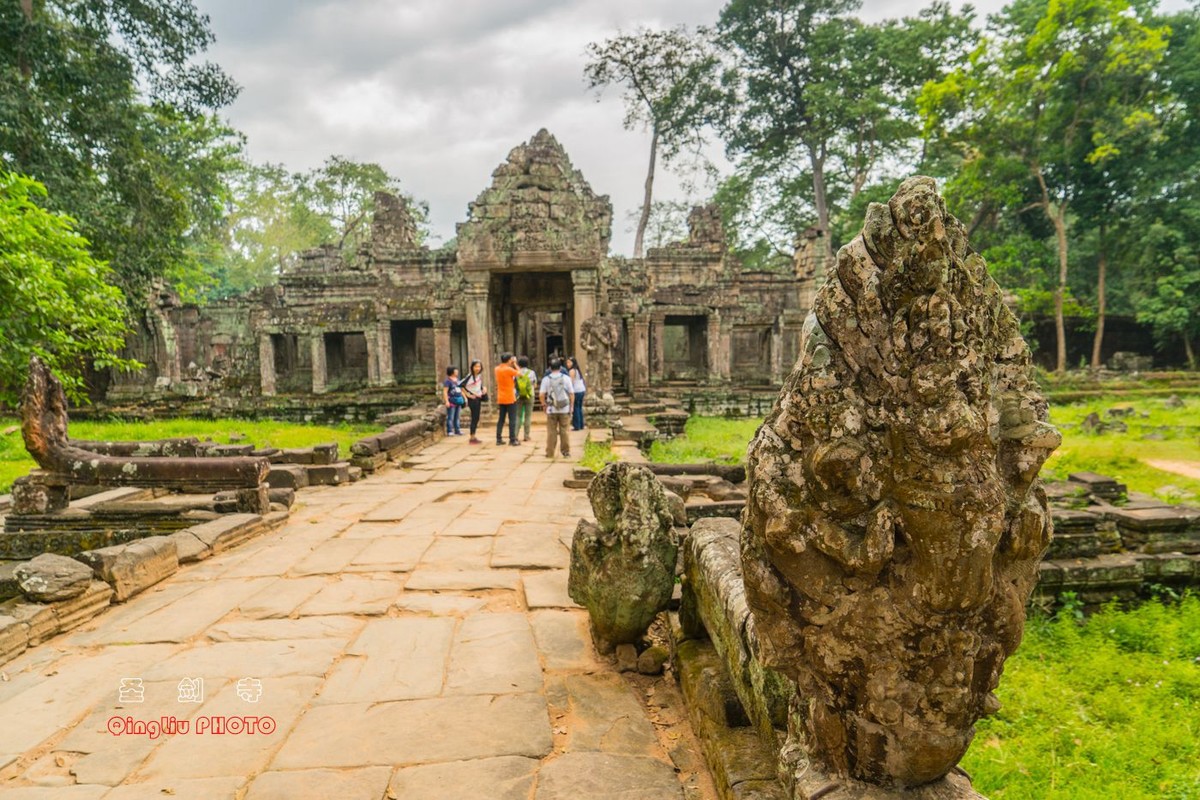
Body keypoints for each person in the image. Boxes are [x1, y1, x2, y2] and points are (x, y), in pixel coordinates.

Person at [540, 357, 574, 458]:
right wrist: (571, 406)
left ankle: (550, 452)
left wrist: (544, 404)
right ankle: (565, 451)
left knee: (551, 431)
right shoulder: (566, 378)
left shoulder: (546, 379)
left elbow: (542, 394)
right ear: (560, 367)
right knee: (564, 431)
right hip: (564, 408)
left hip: (551, 408)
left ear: (550, 368)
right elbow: (571, 394)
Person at [494, 352, 521, 446]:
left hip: (501, 397)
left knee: (501, 419)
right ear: (509, 360)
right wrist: (515, 364)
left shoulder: (497, 369)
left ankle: (498, 438)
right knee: (512, 419)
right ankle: (512, 439)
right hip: (510, 397)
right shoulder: (509, 369)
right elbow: (520, 373)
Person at [461, 359, 487, 444]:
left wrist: (483, 389)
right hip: (473, 399)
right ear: (472, 367)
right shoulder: (470, 377)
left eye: (479, 366)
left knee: (476, 417)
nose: (477, 368)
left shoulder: (478, 376)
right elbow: (460, 385)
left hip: (478, 398)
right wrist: (467, 395)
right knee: (474, 417)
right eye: (476, 366)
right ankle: (472, 437)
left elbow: (477, 386)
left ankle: (473, 436)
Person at [515, 355, 538, 442]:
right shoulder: (531, 372)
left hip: (518, 396)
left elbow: (514, 384)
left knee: (518, 416)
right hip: (529, 395)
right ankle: (526, 436)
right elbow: (535, 385)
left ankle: (515, 435)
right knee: (528, 416)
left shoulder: (516, 372)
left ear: (519, 364)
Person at [442, 365, 464, 436]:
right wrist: (447, 401)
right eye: (455, 370)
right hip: (451, 401)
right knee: (450, 417)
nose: (457, 371)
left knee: (457, 417)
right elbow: (445, 392)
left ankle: (457, 430)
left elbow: (461, 390)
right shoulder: (447, 381)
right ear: (451, 371)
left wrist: (465, 398)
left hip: (458, 400)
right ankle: (450, 430)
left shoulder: (458, 380)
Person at [566, 355, 586, 431]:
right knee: (579, 408)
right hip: (581, 390)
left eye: (569, 362)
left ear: (573, 363)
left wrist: (569, 392)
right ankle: (581, 424)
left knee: (575, 408)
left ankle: (577, 425)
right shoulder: (577, 370)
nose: (567, 364)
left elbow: (571, 382)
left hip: (576, 391)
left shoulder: (572, 371)